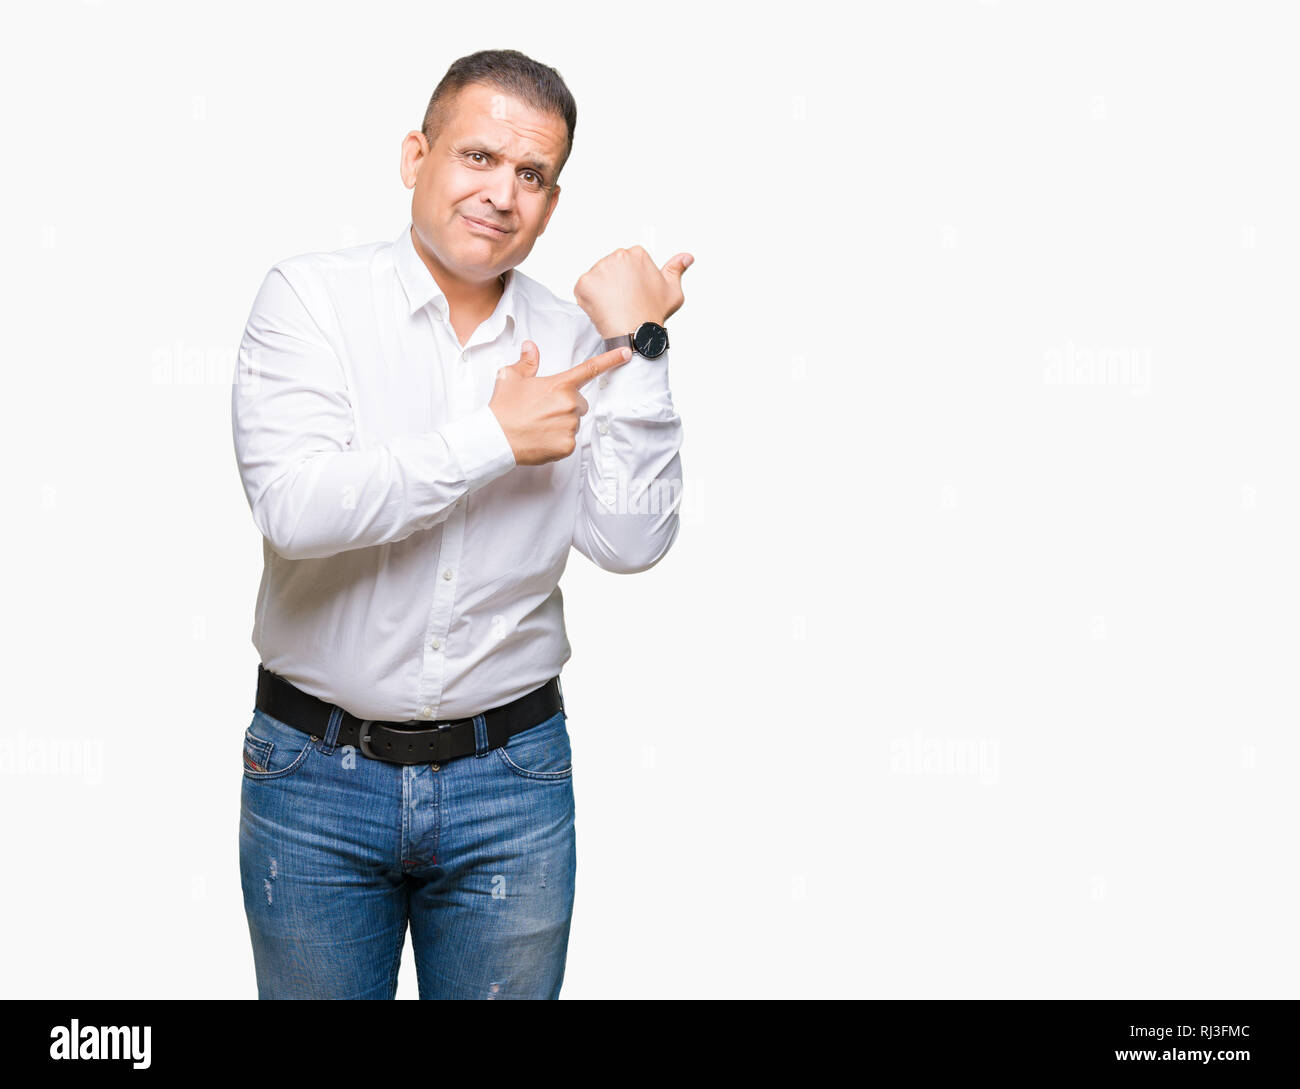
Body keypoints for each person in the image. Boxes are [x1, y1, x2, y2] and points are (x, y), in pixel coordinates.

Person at [229, 48, 692, 999]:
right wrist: (493, 437)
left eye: (532, 175)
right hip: (315, 772)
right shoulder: (311, 299)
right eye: (477, 157)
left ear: (552, 203)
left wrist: (640, 347)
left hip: (510, 781)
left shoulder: (576, 337)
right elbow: (296, 506)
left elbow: (632, 542)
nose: (501, 193)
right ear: (415, 156)